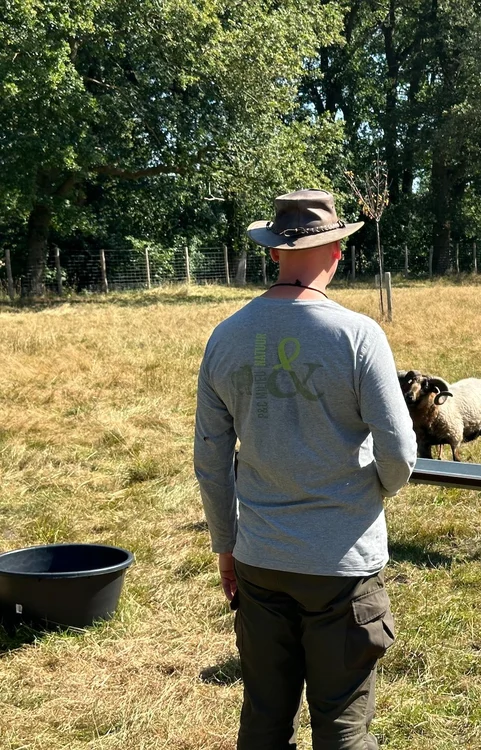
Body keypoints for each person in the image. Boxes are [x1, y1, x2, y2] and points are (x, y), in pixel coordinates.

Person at [194, 188, 417, 749]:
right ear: (337, 250)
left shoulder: (225, 337)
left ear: (274, 252)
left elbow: (211, 462)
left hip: (260, 561)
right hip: (343, 566)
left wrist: (227, 546)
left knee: (264, 716)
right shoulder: (358, 335)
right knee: (342, 723)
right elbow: (401, 452)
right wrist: (372, 495)